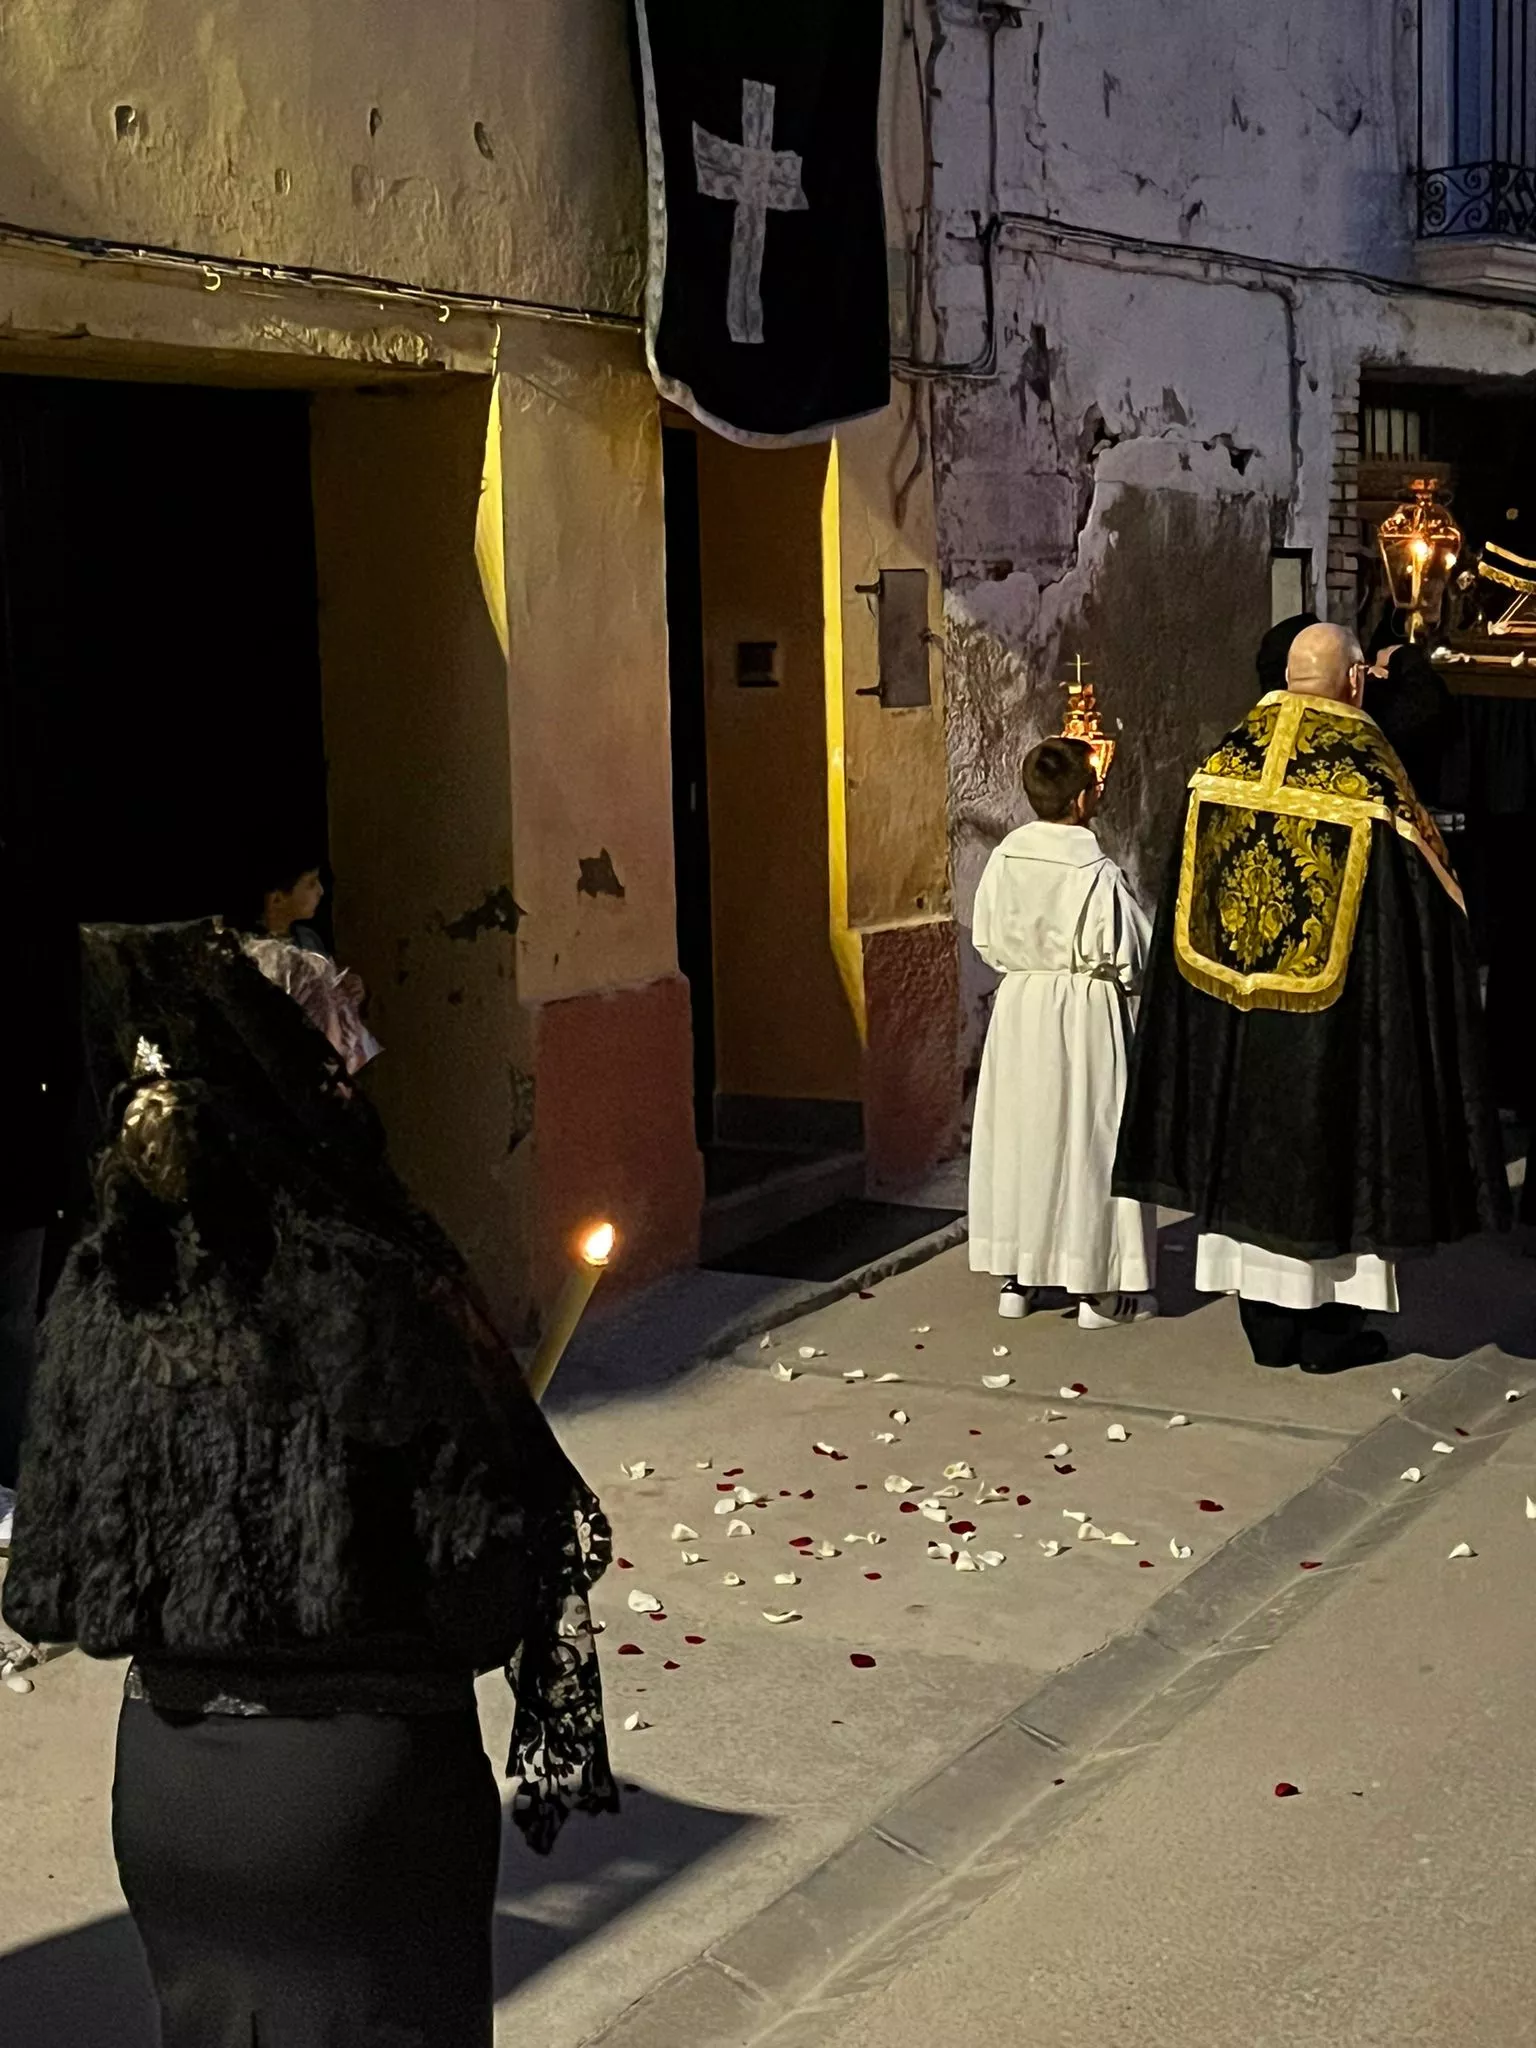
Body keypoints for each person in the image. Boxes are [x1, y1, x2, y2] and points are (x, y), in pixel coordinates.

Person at [2, 918, 616, 2045]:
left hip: (173, 1792)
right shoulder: (373, 1282)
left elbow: (55, 1569)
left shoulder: (107, 1281)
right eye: (341, 1055)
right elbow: (482, 1596)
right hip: (358, 1798)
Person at [1113, 622, 1508, 1372]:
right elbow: (1426, 902)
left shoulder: (1224, 759)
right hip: (1334, 1027)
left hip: (1236, 1023)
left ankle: (1267, 1330)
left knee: (1250, 1165)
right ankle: (1329, 1335)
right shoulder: (1364, 772)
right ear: (1355, 681)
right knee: (1333, 1163)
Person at [968, 737, 1157, 1329]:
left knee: (1026, 1137)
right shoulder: (1095, 872)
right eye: (1095, 786)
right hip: (1085, 1012)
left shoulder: (1005, 859)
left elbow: (985, 936)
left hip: (1022, 1007)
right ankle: (1095, 1292)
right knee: (1089, 1141)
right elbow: (1132, 953)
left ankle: (1018, 1280)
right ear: (1079, 800)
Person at [0, 833, 81, 1549]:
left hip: (19, 1176)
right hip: (22, 1173)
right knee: (14, 1329)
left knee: (16, 1330)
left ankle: (14, 1477)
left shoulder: (28, 963)